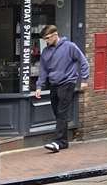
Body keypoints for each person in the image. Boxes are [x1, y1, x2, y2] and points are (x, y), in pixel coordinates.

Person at [34, 24, 89, 153]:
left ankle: (58, 141)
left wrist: (84, 80)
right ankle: (63, 141)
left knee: (61, 111)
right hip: (54, 84)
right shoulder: (46, 52)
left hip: (68, 82)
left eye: (47, 38)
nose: (46, 41)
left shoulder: (70, 47)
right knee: (58, 113)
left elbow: (83, 61)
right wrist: (39, 86)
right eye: (44, 39)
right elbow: (43, 70)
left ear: (55, 35)